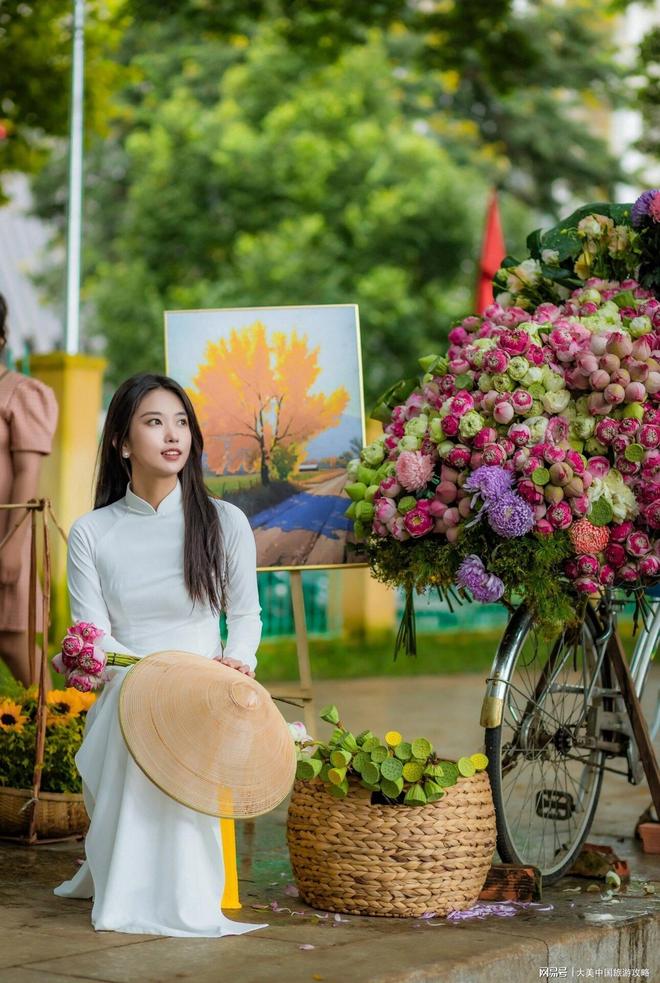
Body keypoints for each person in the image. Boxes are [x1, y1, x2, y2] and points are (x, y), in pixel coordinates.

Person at [54, 372, 267, 938]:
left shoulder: (224, 522)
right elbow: (93, 633)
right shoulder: (92, 532)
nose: (172, 435)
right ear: (122, 442)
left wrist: (238, 664)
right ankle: (132, 885)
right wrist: (149, 676)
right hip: (128, 684)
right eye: (153, 422)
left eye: (181, 423)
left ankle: (169, 887)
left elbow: (245, 617)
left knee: (167, 703)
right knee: (132, 694)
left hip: (205, 689)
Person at [0, 292, 58, 686]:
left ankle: (58, 735)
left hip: (7, 536)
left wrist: (13, 549)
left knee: (13, 642)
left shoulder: (21, 393)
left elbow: (26, 476)